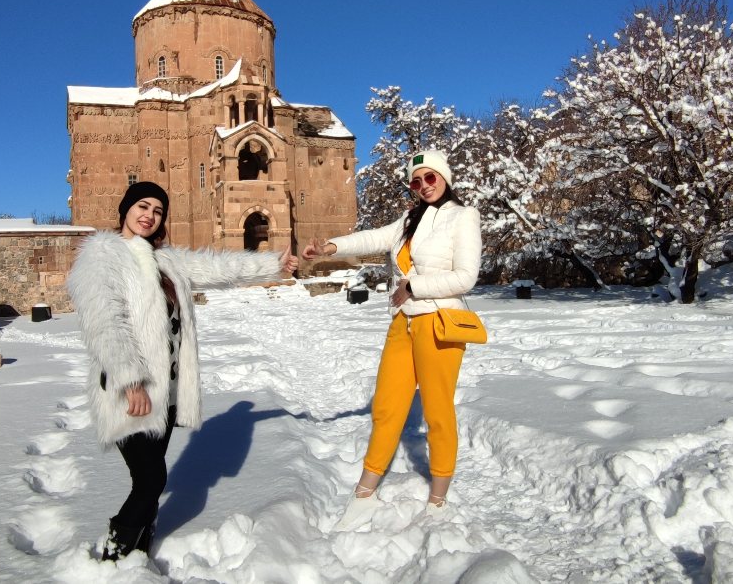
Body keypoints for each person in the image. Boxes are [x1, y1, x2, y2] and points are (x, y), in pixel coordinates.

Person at [67, 181, 298, 560]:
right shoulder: (102, 256)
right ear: (125, 209)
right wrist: (131, 381)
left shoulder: (166, 260)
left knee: (150, 479)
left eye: (157, 211)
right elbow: (104, 323)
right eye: (142, 206)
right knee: (152, 478)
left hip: (168, 390)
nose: (149, 216)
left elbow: (218, 266)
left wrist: (273, 264)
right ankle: (115, 550)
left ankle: (139, 551)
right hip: (131, 391)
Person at [302, 150, 481, 518]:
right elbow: (371, 239)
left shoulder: (463, 217)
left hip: (440, 323)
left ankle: (439, 494)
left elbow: (466, 277)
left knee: (437, 410)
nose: (424, 186)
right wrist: (329, 248)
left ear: (444, 177)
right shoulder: (408, 220)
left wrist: (414, 286)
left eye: (430, 177)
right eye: (416, 181)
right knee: (386, 406)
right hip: (404, 322)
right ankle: (366, 488)